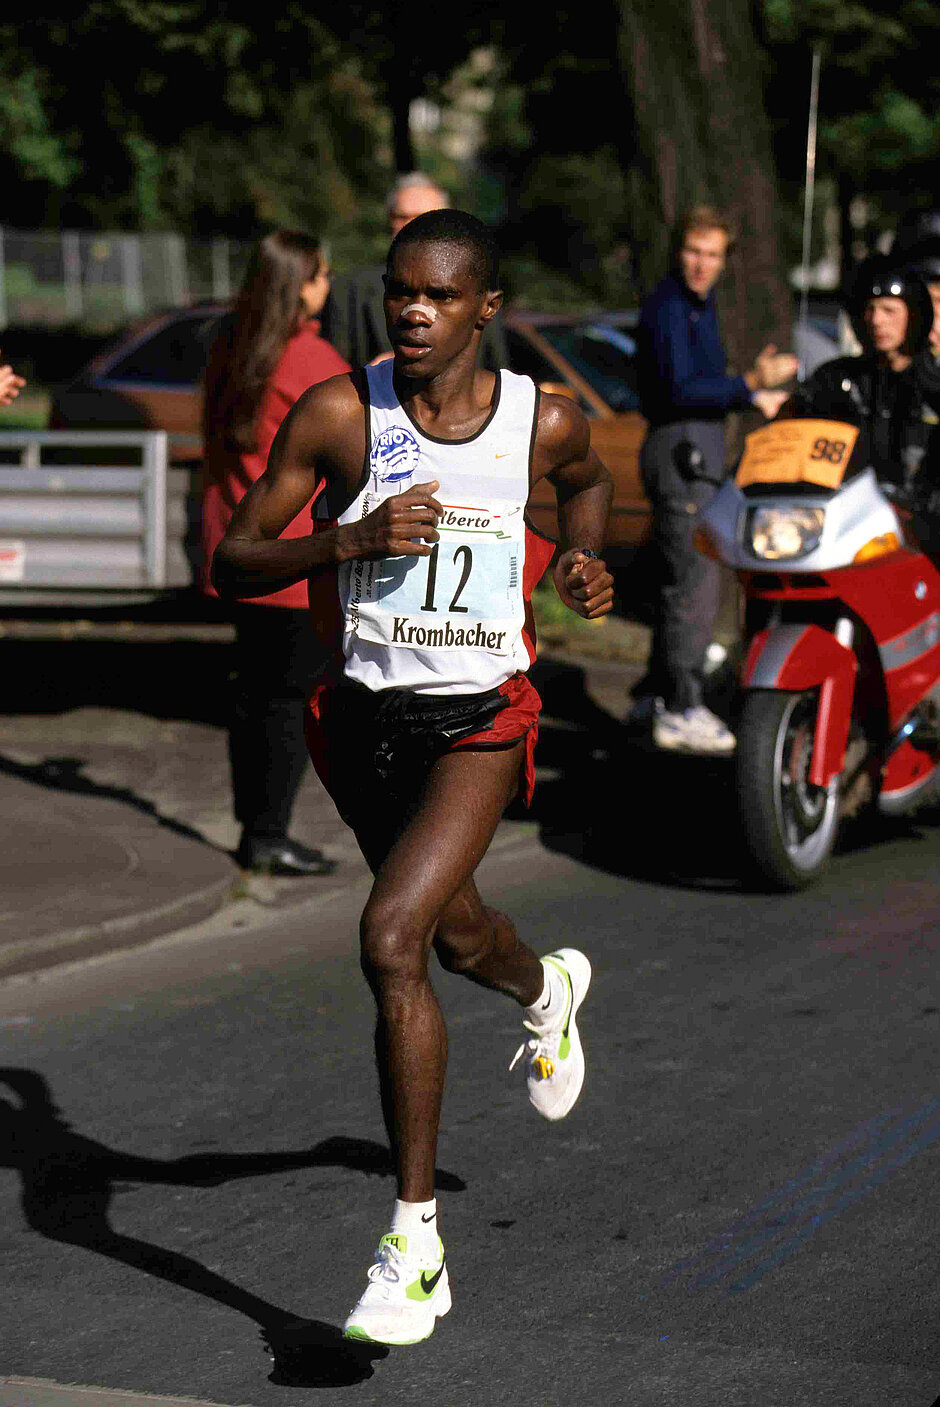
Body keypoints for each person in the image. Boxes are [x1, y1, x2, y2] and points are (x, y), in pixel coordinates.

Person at [213, 209, 614, 1345]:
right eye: (400, 292)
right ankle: (547, 993)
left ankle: (415, 1244)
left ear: (488, 309)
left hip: (481, 719)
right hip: (363, 722)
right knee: (456, 933)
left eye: (440, 296)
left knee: (391, 935)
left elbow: (587, 490)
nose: (415, 312)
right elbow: (232, 560)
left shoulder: (544, 419)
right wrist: (346, 540)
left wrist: (584, 562)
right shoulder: (344, 412)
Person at [202, 229, 349, 875]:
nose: (327, 285)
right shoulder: (310, 358)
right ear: (299, 284)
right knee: (289, 702)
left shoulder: (228, 346)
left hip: (234, 549)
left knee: (252, 694)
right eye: (320, 275)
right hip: (292, 561)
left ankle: (253, 826)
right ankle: (269, 833)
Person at [633, 204, 798, 754]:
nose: (701, 264)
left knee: (680, 578)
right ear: (678, 251)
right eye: (693, 252)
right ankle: (681, 708)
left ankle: (654, 697)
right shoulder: (670, 307)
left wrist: (752, 393)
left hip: (692, 449)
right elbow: (680, 389)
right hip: (679, 451)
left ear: (724, 260)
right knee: (694, 585)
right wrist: (750, 382)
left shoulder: (697, 307)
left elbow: (703, 385)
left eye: (712, 255)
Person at [784, 258, 940, 492]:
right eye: (870, 309)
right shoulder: (834, 378)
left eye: (889, 310)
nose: (877, 320)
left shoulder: (933, 385)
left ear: (914, 315)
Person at [325, 172, 507, 372]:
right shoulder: (350, 289)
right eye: (401, 216)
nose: (410, 225)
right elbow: (328, 371)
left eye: (423, 217)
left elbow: (496, 367)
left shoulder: (477, 288)